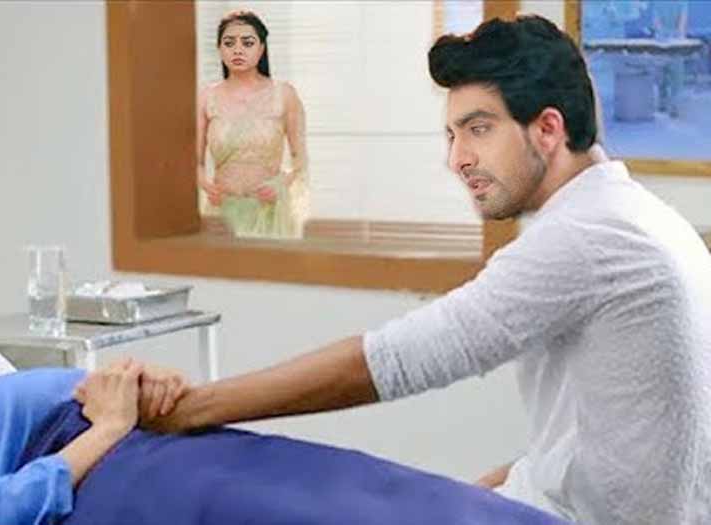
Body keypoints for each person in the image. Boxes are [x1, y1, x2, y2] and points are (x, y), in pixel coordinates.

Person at [135, 15, 711, 525]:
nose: (457, 159)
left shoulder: (585, 237)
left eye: (479, 129)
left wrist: (192, 409)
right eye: (452, 135)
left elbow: (397, 360)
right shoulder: (643, 217)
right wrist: (472, 495)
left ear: (548, 129)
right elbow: (599, 443)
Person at [0, 238, 566, 524]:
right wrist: (104, 428)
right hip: (121, 484)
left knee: (374, 489)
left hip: (168, 448)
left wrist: (138, 389)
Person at [197, 10, 309, 239]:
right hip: (221, 212)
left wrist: (282, 184)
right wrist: (206, 186)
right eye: (229, 43)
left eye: (247, 43)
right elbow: (192, 161)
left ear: (261, 48)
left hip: (269, 212)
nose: (237, 50)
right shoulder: (206, 97)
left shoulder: (284, 94)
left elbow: (300, 158)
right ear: (219, 49)